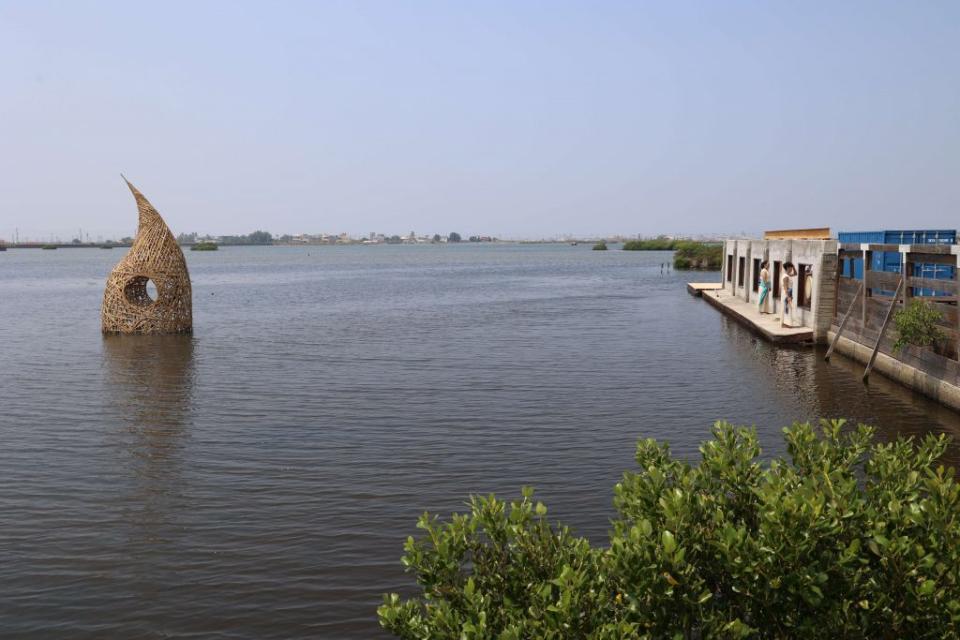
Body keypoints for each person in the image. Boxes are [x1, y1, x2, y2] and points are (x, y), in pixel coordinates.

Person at [781, 262, 796, 327]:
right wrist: (788, 297)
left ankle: (786, 323)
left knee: (787, 308)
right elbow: (785, 287)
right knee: (788, 307)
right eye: (790, 267)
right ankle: (786, 323)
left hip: (788, 293)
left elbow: (795, 273)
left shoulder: (788, 275)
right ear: (787, 268)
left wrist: (794, 266)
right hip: (787, 293)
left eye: (792, 267)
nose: (791, 269)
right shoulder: (786, 276)